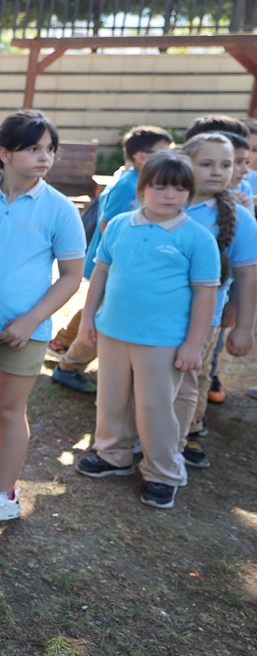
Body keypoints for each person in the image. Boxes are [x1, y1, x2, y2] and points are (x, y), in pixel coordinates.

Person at [0, 110, 86, 522]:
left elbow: (71, 277)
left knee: (10, 409)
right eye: (34, 148)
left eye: (50, 149)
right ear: (5, 153)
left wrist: (30, 321)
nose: (45, 156)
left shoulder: (60, 209)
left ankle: (4, 494)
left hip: (24, 332)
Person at [73, 151, 219, 509]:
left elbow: (205, 294)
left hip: (163, 341)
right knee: (111, 399)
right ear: (142, 189)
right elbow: (101, 273)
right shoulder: (120, 224)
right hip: (113, 332)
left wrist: (193, 345)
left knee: (155, 408)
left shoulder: (197, 238)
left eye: (179, 188)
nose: (170, 195)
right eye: (160, 187)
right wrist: (88, 318)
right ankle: (113, 454)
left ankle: (163, 472)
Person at [50, 126, 173, 394]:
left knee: (99, 308)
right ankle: (68, 366)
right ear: (141, 156)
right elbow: (108, 225)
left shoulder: (141, 181)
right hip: (113, 263)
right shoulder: (127, 185)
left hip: (124, 266)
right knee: (101, 312)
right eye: (163, 153)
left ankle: (63, 344)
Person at [175, 130, 257, 469]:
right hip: (152, 316)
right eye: (206, 164)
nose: (218, 171)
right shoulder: (166, 204)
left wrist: (242, 326)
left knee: (192, 379)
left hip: (203, 320)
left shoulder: (241, 219)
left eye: (227, 164)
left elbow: (248, 275)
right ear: (184, 163)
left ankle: (186, 433)